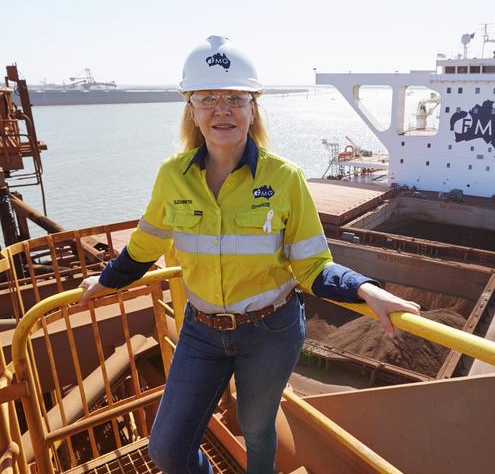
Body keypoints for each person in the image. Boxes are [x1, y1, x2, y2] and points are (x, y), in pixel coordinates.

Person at [79, 36, 420, 474]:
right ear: (193, 111)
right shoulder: (172, 177)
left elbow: (312, 264)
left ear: (252, 109)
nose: (222, 109)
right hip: (201, 331)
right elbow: (145, 247)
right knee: (166, 449)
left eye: (235, 98)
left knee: (257, 429)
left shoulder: (286, 179)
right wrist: (105, 281)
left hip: (270, 331)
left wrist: (366, 289)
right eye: (208, 99)